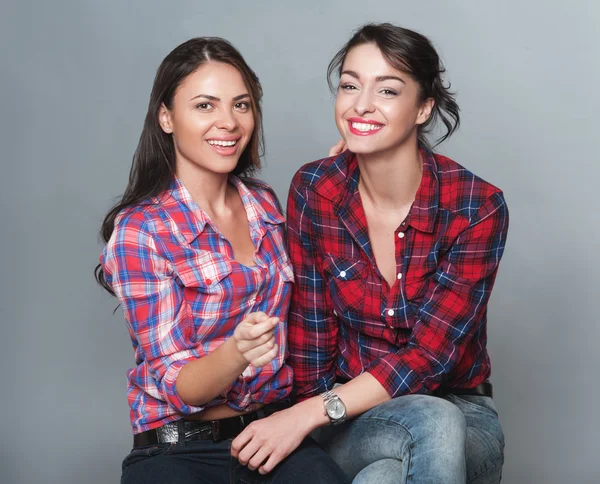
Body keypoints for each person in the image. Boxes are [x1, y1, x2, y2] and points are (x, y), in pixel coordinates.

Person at [231, 23, 508, 483]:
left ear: (423, 108)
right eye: (349, 85)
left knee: (414, 445)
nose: (361, 104)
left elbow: (428, 359)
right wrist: (307, 413)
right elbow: (311, 339)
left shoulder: (475, 207)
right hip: (346, 417)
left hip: (461, 413)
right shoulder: (317, 190)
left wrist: (300, 418)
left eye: (388, 90)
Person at [96, 37, 348, 484]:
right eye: (205, 106)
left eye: (241, 105)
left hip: (270, 437)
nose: (228, 122)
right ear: (166, 117)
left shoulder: (265, 206)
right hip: (177, 451)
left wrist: (344, 182)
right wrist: (236, 352)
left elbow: (326, 278)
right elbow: (180, 385)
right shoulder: (140, 231)